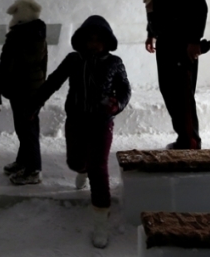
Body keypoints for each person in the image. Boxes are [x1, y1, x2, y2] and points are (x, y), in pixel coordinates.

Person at [33, 16, 131, 249]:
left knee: (99, 169)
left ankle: (100, 223)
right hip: (76, 120)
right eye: (90, 40)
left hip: (101, 123)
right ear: (83, 41)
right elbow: (54, 81)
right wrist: (35, 102)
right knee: (75, 161)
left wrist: (117, 104)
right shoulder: (73, 60)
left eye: (99, 40)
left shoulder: (114, 62)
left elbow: (125, 89)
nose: (94, 44)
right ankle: (82, 169)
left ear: (107, 41)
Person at [142, 0, 210, 150]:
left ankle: (190, 141)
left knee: (182, 92)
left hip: (182, 43)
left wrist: (194, 40)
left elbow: (198, 7)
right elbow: (154, 8)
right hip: (166, 40)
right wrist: (151, 32)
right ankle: (184, 137)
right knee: (169, 89)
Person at [0, 0, 48, 185]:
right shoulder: (40, 34)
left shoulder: (16, 36)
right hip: (35, 88)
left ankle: (33, 169)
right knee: (30, 127)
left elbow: (6, 65)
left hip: (20, 88)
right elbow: (44, 64)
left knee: (25, 129)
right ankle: (24, 161)